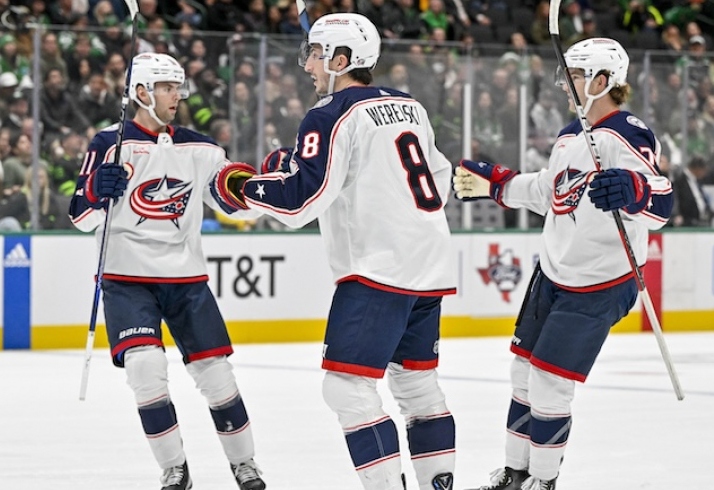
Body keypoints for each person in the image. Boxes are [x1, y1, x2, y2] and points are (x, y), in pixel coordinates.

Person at [240, 13, 457, 490]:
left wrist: (250, 187)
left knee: (345, 387)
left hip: (378, 269)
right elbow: (438, 181)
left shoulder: (330, 113)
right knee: (416, 385)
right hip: (429, 261)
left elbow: (303, 203)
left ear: (342, 60)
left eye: (316, 55)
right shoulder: (410, 106)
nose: (308, 66)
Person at [453, 38, 672, 490]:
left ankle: (543, 481)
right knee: (523, 373)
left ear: (603, 81)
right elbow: (549, 192)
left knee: (550, 380)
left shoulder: (626, 132)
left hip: (600, 281)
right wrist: (499, 185)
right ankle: (515, 474)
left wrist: (635, 190)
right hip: (552, 273)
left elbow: (661, 199)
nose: (564, 83)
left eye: (574, 75)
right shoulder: (571, 134)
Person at [68, 52, 265, 490]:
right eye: (167, 87)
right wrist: (97, 191)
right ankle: (174, 469)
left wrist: (262, 185)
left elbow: (233, 200)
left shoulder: (202, 147)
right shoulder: (107, 143)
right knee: (145, 369)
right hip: (125, 278)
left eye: (178, 87)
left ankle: (245, 464)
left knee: (217, 376)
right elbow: (80, 216)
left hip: (186, 279)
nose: (177, 95)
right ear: (141, 93)